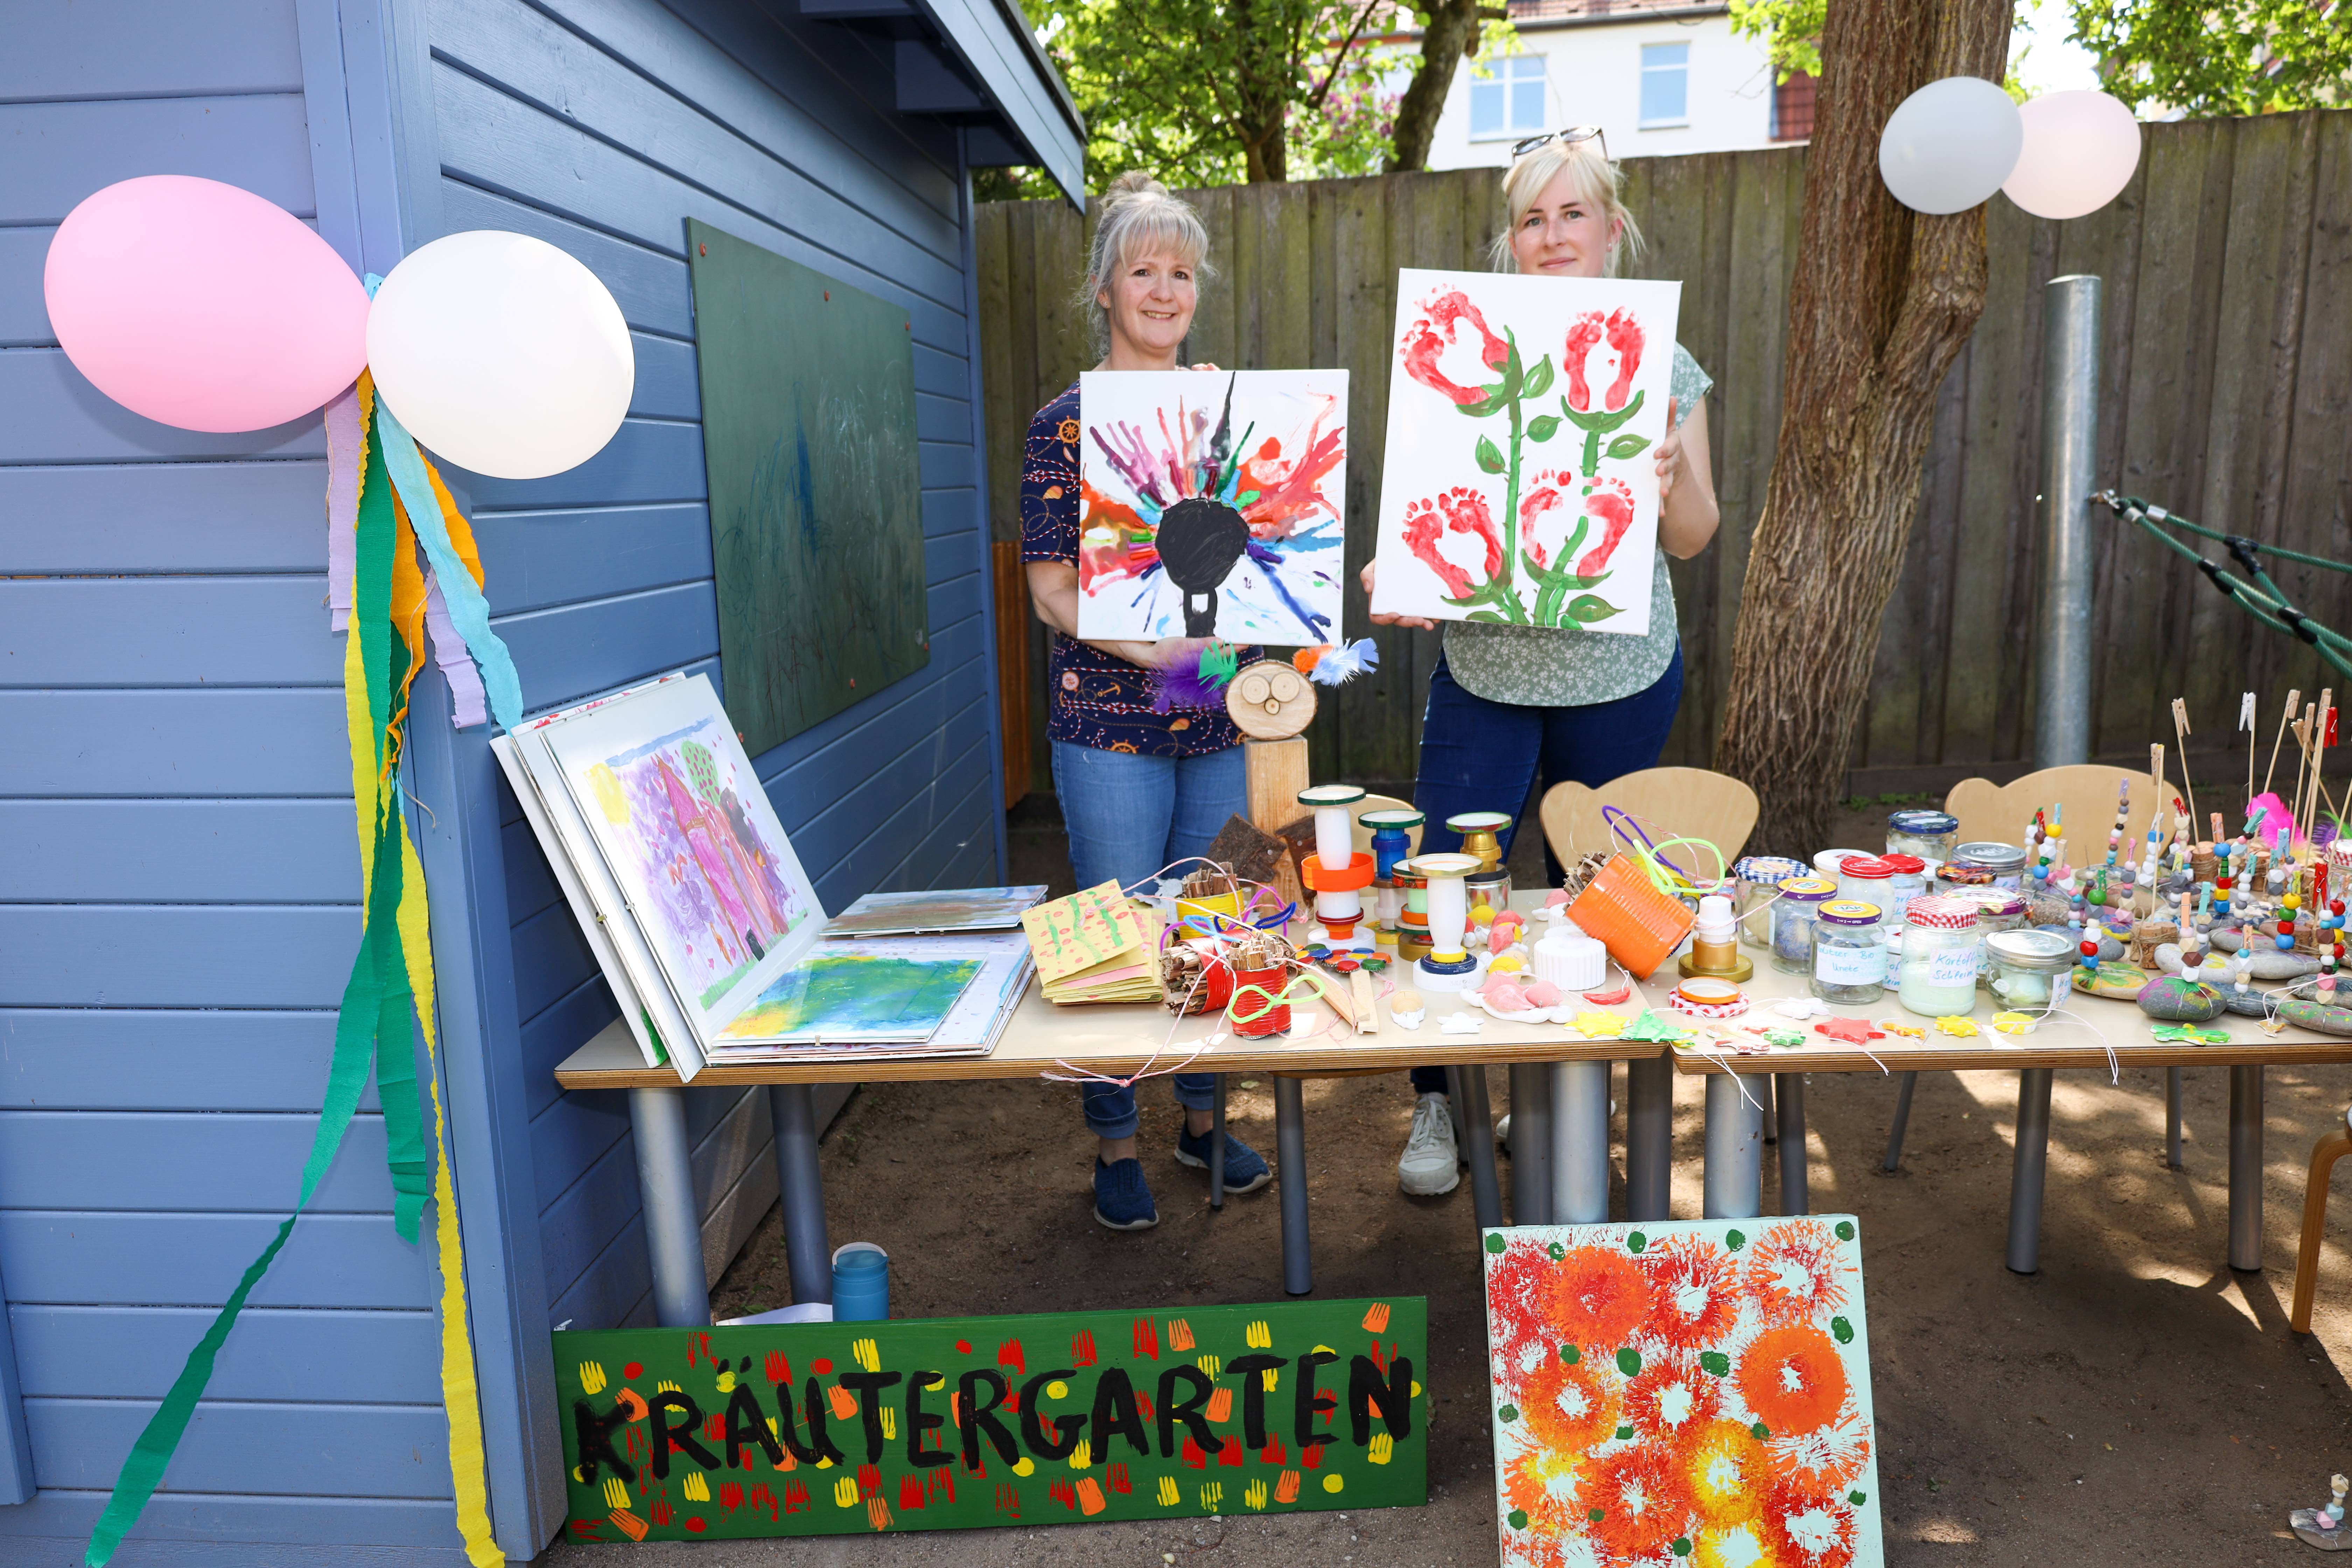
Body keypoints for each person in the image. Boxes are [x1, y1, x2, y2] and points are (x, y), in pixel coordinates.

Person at [1365, 130, 1723, 1196]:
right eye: (1533, 217)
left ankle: (1570, 1090)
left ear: (1613, 229)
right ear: (1511, 241)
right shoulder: (1460, 341)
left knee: (1597, 892)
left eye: (1574, 213)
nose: (1554, 233)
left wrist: (1669, 479)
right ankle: (1441, 1098)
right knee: (1451, 885)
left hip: (1621, 676)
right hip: (1484, 673)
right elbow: (1431, 507)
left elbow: (1697, 536)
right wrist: (1405, 566)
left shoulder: (1665, 360)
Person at [1021, 173, 1275, 1231]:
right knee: (1115, 934)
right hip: (1107, 727)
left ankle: (1204, 1121)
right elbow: (1049, 588)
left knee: (1216, 916)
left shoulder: (1233, 416)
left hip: (1219, 719)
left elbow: (1271, 555)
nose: (1164, 291)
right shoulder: (1065, 426)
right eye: (1143, 271)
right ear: (1104, 288)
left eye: (1181, 272)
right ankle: (1115, 1144)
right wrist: (1159, 649)